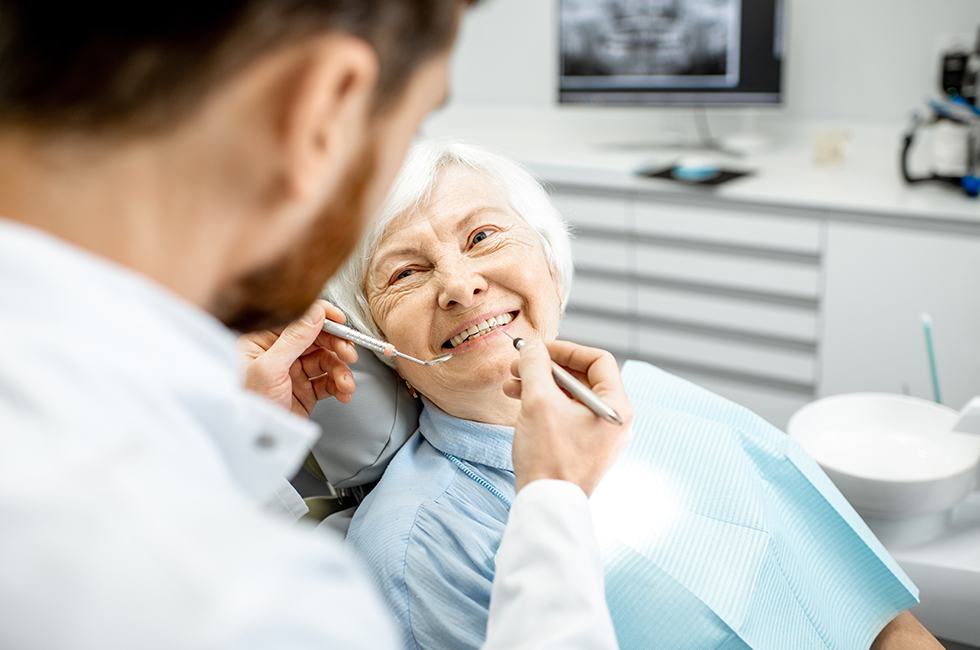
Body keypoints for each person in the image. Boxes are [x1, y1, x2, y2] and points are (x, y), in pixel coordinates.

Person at [0, 3, 632, 649]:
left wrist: (233, 437)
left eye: (485, 235)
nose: (461, 283)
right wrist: (553, 505)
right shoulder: (261, 604)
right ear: (324, 106)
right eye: (414, 123)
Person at [328, 140, 944, 649]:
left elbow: (882, 618)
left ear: (547, 258)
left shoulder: (662, 397)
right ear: (381, 343)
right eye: (405, 273)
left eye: (483, 236)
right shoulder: (415, 543)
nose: (460, 285)